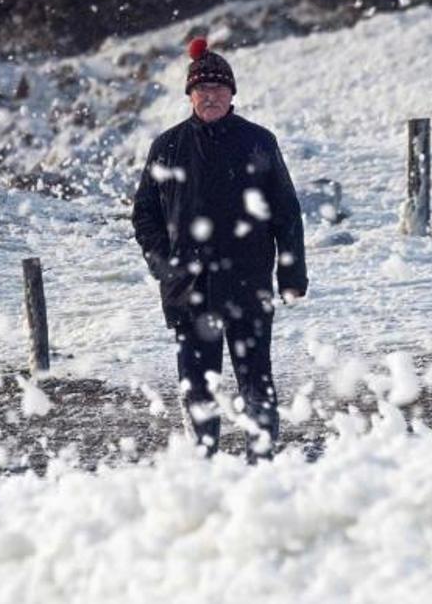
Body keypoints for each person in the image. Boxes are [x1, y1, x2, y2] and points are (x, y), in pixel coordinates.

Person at [132, 38, 308, 462]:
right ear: (190, 95)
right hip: (188, 289)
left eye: (218, 88)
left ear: (232, 94)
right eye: (201, 89)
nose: (210, 96)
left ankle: (261, 460)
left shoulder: (258, 142)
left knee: (255, 379)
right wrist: (165, 265)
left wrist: (292, 275)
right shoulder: (167, 147)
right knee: (196, 382)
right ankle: (206, 457)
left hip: (246, 284)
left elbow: (286, 211)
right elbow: (144, 215)